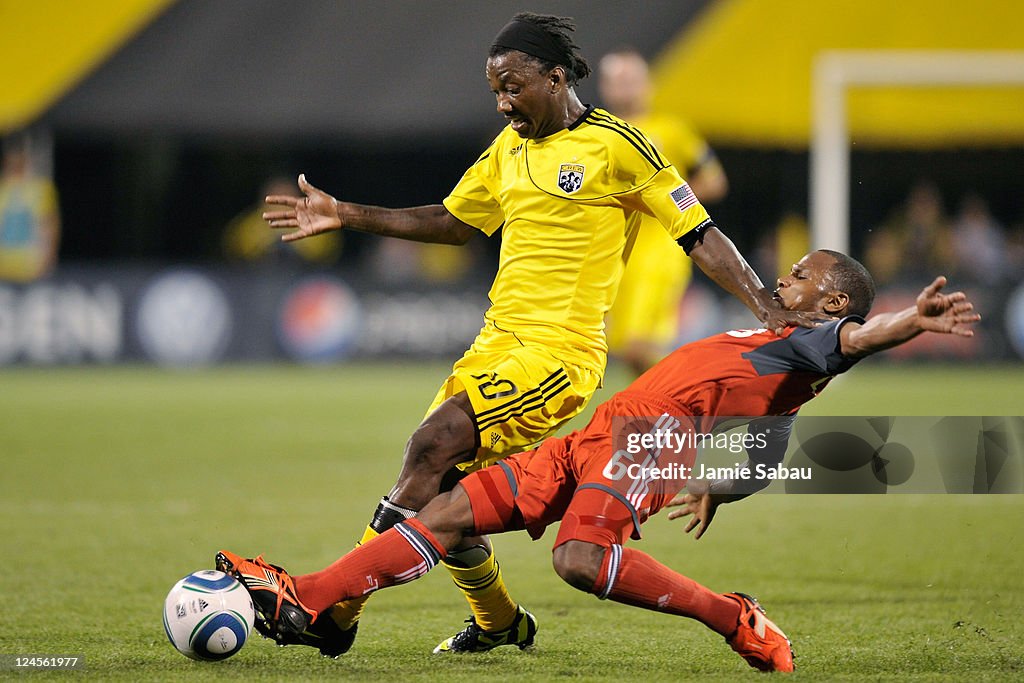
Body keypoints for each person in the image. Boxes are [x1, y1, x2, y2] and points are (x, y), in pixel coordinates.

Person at [260, 13, 815, 656]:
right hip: (494, 343)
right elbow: (454, 221)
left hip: (560, 354)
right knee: (444, 486)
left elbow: (699, 231)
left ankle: (331, 605)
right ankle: (499, 620)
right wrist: (348, 213)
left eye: (512, 86)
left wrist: (764, 305)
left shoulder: (617, 146)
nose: (502, 102)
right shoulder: (508, 149)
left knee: (432, 445)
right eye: (494, 90)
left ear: (555, 77)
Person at [217, 250, 979, 672]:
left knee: (580, 559)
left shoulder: (822, 342)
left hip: (652, 438)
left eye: (803, 276)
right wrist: (720, 485)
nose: (784, 278)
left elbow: (857, 341)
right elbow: (771, 444)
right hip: (605, 430)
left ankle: (735, 617)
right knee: (446, 510)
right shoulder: (780, 349)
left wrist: (908, 321)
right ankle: (308, 596)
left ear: (832, 303)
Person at [598, 47, 728, 375]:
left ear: (647, 85)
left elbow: (714, 182)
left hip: (660, 249)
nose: (625, 88)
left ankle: (695, 394)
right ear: (604, 87)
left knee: (638, 343)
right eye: (618, 81)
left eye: (632, 80)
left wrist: (666, 200)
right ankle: (666, 411)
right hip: (611, 252)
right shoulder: (594, 135)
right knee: (627, 351)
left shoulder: (672, 131)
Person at [0, 133, 60, 282]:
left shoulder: (39, 189)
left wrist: (47, 261)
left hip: (31, 268)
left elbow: (50, 225)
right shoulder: (3, 188)